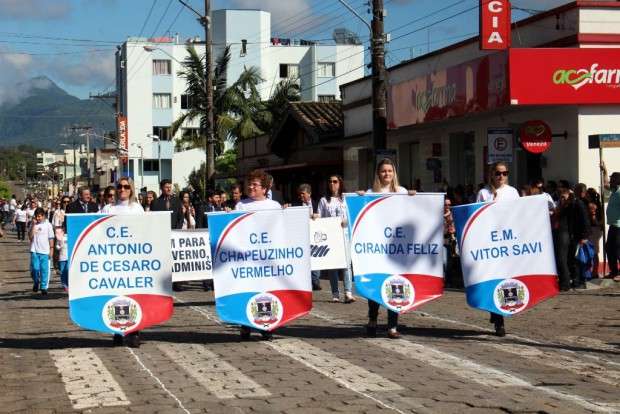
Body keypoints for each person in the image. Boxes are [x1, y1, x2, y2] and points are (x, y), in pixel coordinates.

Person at [357, 158, 416, 339]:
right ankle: (373, 320)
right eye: (383, 171)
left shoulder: (401, 191)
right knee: (376, 283)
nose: (387, 174)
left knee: (395, 283)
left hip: (396, 248)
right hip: (376, 247)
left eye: (390, 171)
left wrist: (415, 198)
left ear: (394, 173)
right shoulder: (370, 192)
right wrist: (359, 199)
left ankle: (392, 325)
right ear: (378, 173)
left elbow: (411, 214)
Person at [235, 169, 282, 340]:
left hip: (268, 258)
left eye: (255, 184)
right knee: (248, 291)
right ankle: (245, 325)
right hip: (247, 257)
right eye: (249, 183)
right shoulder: (241, 205)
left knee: (266, 292)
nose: (250, 187)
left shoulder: (274, 206)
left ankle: (266, 326)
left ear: (264, 188)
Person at [476, 161, 519, 337]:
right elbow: (476, 216)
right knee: (494, 279)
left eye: (505, 173)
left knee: (506, 279)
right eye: (498, 173)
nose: (501, 176)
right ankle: (497, 318)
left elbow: (519, 213)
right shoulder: (483, 193)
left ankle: (500, 312)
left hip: (507, 241)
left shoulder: (512, 192)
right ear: (492, 175)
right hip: (490, 242)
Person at [100, 177, 145, 347]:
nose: (123, 189)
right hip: (113, 260)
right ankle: (117, 331)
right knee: (116, 297)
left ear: (131, 189)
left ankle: (134, 331)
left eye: (126, 186)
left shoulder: (137, 209)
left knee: (133, 296)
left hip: (133, 260)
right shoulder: (108, 209)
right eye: (120, 186)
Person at [318, 175, 356, 303]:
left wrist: (361, 194)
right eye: (330, 181)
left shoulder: (346, 198)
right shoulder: (324, 200)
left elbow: (354, 211)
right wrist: (314, 216)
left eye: (335, 181)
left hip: (344, 235)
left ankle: (348, 292)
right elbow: (320, 217)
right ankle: (335, 293)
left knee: (346, 265)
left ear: (340, 183)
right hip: (331, 236)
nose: (332, 183)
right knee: (333, 266)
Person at [150, 179, 184, 290]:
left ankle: (177, 283)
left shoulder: (177, 201)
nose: (169, 188)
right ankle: (163, 282)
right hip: (162, 236)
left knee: (175, 259)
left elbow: (180, 217)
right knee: (164, 261)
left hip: (174, 234)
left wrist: (177, 231)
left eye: (170, 186)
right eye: (166, 187)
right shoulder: (155, 202)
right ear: (161, 188)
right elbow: (154, 220)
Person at [295, 183, 322, 291]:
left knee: (316, 257)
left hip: (315, 236)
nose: (301, 196)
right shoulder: (295, 205)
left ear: (309, 194)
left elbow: (323, 216)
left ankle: (315, 281)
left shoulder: (317, 204)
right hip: (301, 236)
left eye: (303, 194)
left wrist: (317, 216)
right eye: (299, 194)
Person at [29, 207, 55, 296]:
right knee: (35, 269)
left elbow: (51, 238)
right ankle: (36, 282)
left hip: (45, 251)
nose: (38, 218)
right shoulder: (33, 224)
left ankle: (43, 287)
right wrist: (33, 226)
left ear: (43, 216)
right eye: (36, 216)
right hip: (34, 250)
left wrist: (51, 249)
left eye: (39, 216)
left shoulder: (48, 225)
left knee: (44, 270)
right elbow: (30, 237)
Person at [601, 162, 620, 281]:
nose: (610, 181)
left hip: (619, 226)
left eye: (613, 179)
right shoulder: (615, 190)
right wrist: (605, 171)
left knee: (618, 249)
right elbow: (606, 184)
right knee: (609, 248)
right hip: (613, 225)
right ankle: (614, 271)